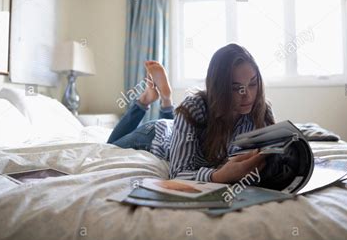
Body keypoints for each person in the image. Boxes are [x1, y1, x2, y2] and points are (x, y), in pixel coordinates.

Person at [108, 43, 276, 184]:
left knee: (179, 125)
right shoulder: (194, 108)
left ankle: (166, 101)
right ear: (218, 88)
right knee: (109, 146)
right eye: (235, 88)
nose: (248, 95)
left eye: (253, 84)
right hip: (155, 135)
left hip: (177, 128)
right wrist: (218, 176)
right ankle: (146, 99)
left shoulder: (262, 110)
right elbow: (178, 173)